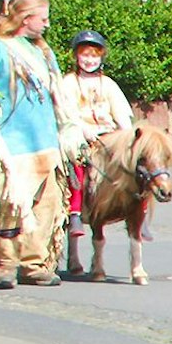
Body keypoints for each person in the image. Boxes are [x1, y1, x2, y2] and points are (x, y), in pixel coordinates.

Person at [0, 0, 77, 289]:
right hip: (11, 142)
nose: (47, 24)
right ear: (25, 18)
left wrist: (68, 130)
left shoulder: (42, 51)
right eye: (43, 18)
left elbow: (58, 95)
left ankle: (34, 265)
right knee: (11, 206)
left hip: (45, 141)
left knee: (47, 205)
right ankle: (6, 264)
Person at [62, 30, 132, 241]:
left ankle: (137, 206)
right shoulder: (68, 82)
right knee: (76, 157)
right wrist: (84, 129)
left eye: (94, 56)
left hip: (107, 133)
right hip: (79, 133)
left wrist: (127, 134)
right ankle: (75, 210)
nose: (89, 60)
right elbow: (67, 112)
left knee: (135, 160)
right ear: (76, 56)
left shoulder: (108, 84)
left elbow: (120, 111)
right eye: (85, 55)